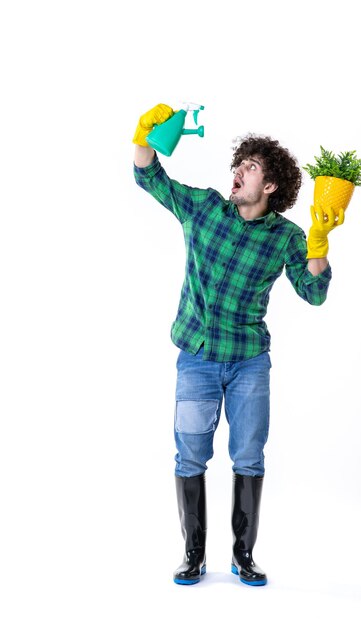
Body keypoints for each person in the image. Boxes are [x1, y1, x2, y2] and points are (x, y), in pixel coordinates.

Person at [132, 104, 344, 587]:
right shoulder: (205, 208)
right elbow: (150, 177)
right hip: (197, 359)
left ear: (269, 187)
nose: (237, 172)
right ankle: (192, 555)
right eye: (238, 164)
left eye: (249, 168)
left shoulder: (286, 237)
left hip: (250, 362)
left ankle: (243, 556)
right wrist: (143, 136)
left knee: (249, 457)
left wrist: (318, 244)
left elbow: (314, 293)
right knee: (189, 457)